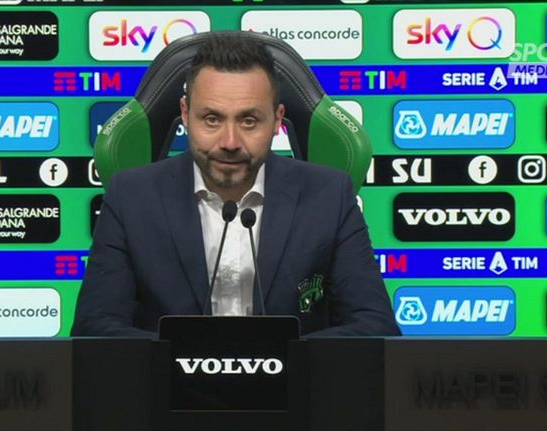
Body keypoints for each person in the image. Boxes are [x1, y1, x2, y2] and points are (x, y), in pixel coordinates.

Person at [72, 32, 399, 338]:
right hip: (164, 381)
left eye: (249, 121)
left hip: (296, 381)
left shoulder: (330, 195)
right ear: (185, 114)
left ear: (277, 120)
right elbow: (94, 329)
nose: (230, 141)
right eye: (212, 119)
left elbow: (376, 326)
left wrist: (269, 359)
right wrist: (200, 360)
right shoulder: (130, 197)